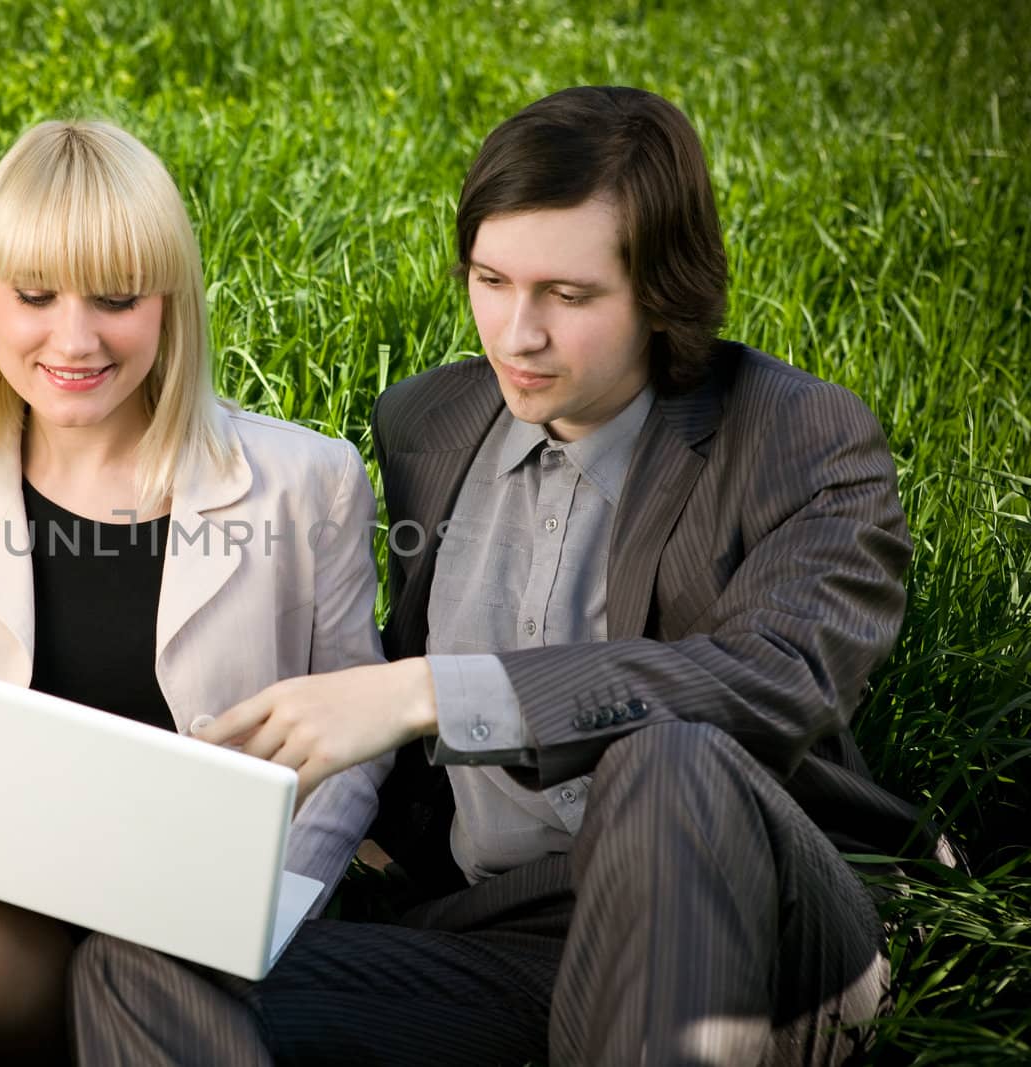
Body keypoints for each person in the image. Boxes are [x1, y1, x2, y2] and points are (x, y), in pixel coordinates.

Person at [70, 86, 950, 1065]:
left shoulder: (796, 434)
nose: (515, 332)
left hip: (752, 923)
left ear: (665, 290)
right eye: (491, 280)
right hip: (498, 938)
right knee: (136, 959)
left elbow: (778, 678)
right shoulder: (426, 424)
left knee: (671, 761)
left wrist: (430, 693)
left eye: (567, 297)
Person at [0, 119, 389, 1066]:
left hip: (200, 939)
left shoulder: (306, 481)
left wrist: (260, 919)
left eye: (116, 298)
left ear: (170, 304)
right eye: (34, 295)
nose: (75, 338)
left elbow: (356, 744)